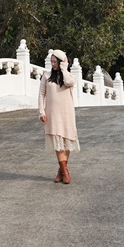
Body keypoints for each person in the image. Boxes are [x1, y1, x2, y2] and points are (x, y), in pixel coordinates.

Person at [38, 49, 78, 184]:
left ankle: (61, 170)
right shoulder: (46, 75)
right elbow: (41, 94)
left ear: (61, 62)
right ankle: (65, 172)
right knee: (58, 141)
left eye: (55, 62)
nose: (53, 64)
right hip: (53, 114)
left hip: (67, 113)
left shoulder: (69, 76)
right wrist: (41, 112)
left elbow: (69, 83)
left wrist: (64, 69)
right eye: (52, 62)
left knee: (67, 140)